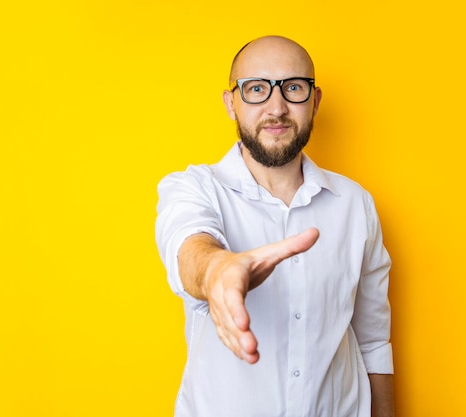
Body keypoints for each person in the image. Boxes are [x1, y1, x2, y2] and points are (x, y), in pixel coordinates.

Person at [155, 35, 394, 417]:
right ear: (231, 103)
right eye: (256, 89)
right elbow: (187, 246)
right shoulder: (194, 188)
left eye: (293, 88)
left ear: (314, 102)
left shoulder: (356, 204)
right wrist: (216, 269)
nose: (276, 107)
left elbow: (373, 340)